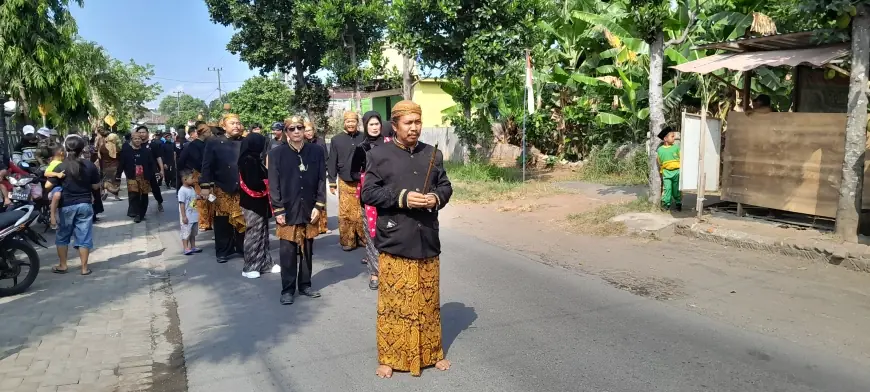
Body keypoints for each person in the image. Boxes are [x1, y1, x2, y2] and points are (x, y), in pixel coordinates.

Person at [360, 100, 453, 378]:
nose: (414, 128)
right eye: (408, 123)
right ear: (395, 125)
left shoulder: (432, 154)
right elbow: (368, 193)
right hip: (396, 239)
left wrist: (435, 198)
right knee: (394, 305)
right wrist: (402, 198)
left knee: (427, 301)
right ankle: (389, 358)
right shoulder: (380, 154)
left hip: (426, 238)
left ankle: (432, 353)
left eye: (418, 122)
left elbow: (445, 186)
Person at [268, 115, 326, 305]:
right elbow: (274, 184)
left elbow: (320, 180)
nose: (296, 132)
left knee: (308, 248)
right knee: (287, 250)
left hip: (309, 208)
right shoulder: (277, 154)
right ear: (286, 132)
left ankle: (305, 284)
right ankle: (287, 289)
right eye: (291, 128)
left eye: (299, 128)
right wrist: (278, 209)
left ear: (305, 130)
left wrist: (319, 205)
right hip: (287, 208)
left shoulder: (316, 151)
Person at [47, 135, 101, 276]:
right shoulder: (89, 165)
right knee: (84, 237)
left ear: (65, 148)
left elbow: (47, 185)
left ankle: (63, 265)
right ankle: (84, 268)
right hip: (85, 205)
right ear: (82, 149)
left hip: (66, 206)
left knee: (63, 236)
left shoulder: (60, 166)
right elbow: (96, 186)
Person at [200, 114, 246, 263]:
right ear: (224, 126)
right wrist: (205, 186)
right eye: (232, 123)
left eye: (238, 123)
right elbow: (207, 165)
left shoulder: (246, 142)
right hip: (222, 188)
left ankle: (241, 247)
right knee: (222, 221)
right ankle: (223, 251)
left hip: (242, 188)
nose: (236, 126)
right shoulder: (214, 142)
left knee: (242, 219)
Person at [357, 111, 391, 290]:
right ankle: (374, 273)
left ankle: (390, 270)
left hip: (390, 195)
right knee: (371, 236)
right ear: (365, 126)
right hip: (369, 198)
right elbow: (352, 172)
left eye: (377, 124)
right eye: (371, 124)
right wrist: (366, 177)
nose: (375, 127)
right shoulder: (361, 147)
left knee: (389, 232)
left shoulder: (390, 144)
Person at [327, 111, 367, 251]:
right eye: (348, 121)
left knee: (361, 211)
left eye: (353, 121)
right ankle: (348, 241)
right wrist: (332, 182)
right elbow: (332, 160)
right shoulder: (336, 140)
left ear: (357, 122)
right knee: (346, 212)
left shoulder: (364, 137)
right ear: (344, 123)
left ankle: (363, 238)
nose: (351, 124)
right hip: (344, 180)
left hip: (361, 180)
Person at [239, 132, 274, 278]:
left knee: (263, 234)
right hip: (252, 203)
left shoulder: (254, 158)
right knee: (254, 234)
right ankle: (250, 266)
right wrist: (266, 184)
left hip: (260, 202)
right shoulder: (248, 160)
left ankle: (264, 263)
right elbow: (253, 182)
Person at [179, 122, 213, 231]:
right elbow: (198, 161)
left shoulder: (208, 144)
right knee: (201, 198)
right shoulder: (193, 145)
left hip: (208, 174)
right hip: (198, 174)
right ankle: (203, 222)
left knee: (211, 198)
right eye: (208, 131)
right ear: (203, 133)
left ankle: (210, 221)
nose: (210, 133)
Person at [116, 132, 158, 223]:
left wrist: (155, 173)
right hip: (132, 177)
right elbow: (121, 164)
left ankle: (141, 214)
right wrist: (118, 175)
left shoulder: (146, 151)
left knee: (144, 195)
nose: (137, 140)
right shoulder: (126, 151)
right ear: (132, 140)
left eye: (139, 139)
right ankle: (135, 212)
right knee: (134, 195)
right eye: (135, 139)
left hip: (144, 177)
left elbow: (151, 163)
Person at [304, 120, 330, 234]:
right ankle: (311, 224)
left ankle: (323, 226)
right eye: (306, 131)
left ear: (313, 131)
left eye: (310, 130)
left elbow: (326, 157)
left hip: (320, 173)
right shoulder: (302, 143)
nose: (308, 133)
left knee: (321, 198)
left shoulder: (320, 142)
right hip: (307, 174)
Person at [136, 126, 165, 212]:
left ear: (147, 133)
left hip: (152, 171)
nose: (141, 134)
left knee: (155, 188)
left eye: (143, 132)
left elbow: (158, 158)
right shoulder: (136, 144)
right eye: (140, 132)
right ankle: (140, 209)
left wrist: (161, 170)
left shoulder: (153, 144)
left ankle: (159, 202)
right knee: (140, 190)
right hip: (139, 172)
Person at [657, 126, 682, 211]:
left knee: (676, 189)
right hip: (666, 173)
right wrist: (662, 171)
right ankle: (666, 204)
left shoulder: (676, 148)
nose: (674, 138)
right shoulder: (660, 150)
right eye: (672, 136)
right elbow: (659, 161)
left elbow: (681, 158)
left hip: (677, 172)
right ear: (665, 139)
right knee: (667, 189)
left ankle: (678, 203)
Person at [178, 171, 202, 255]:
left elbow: (195, 197)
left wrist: (201, 197)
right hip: (187, 216)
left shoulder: (192, 189)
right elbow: (182, 204)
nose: (193, 180)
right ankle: (186, 248)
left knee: (193, 233)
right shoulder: (182, 191)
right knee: (186, 232)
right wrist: (184, 216)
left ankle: (193, 246)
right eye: (191, 178)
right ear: (185, 179)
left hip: (194, 215)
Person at [44, 144, 66, 229]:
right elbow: (46, 173)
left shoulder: (62, 163)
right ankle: (52, 217)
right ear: (61, 153)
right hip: (55, 186)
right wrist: (57, 174)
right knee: (57, 194)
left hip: (61, 185)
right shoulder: (54, 163)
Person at [98, 130, 122, 201]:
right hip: (115, 166)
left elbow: (100, 158)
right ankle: (116, 196)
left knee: (106, 180)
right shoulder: (117, 148)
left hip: (105, 166)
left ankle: (105, 192)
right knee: (116, 181)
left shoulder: (103, 147)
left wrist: (101, 167)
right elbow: (121, 158)